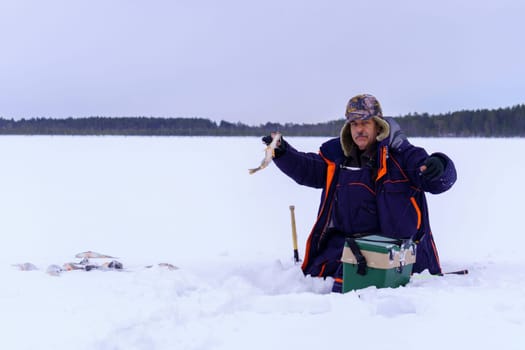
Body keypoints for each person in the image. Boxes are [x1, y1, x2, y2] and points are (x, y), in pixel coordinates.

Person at [263, 94, 457, 292]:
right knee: (335, 280)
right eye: (354, 123)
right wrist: (283, 153)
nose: (359, 129)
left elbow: (437, 181)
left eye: (365, 122)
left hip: (398, 255)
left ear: (378, 126)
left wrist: (440, 165)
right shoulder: (337, 159)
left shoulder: (403, 157)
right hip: (348, 249)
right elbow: (308, 169)